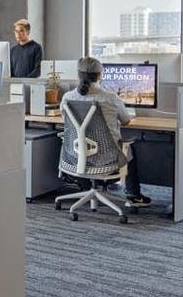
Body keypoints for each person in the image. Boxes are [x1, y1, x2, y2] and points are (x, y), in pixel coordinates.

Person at [62, 56, 151, 207]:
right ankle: (133, 195)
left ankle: (86, 187)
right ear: (100, 75)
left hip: (76, 157)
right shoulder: (110, 98)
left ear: (78, 75)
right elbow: (126, 121)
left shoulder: (67, 97)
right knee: (129, 146)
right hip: (107, 160)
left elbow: (65, 118)